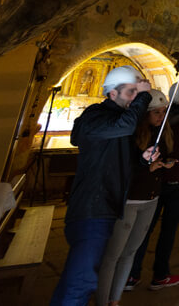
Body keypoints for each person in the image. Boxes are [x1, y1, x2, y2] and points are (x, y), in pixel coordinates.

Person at [50, 66, 153, 306]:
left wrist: (142, 158)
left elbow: (121, 159)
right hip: (91, 210)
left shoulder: (114, 122)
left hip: (103, 207)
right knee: (82, 281)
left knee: (74, 278)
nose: (134, 99)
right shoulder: (95, 116)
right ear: (112, 94)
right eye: (130, 93)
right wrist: (144, 95)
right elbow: (126, 126)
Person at [129, 82, 179, 290]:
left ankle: (131, 274)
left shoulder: (163, 116)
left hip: (154, 181)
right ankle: (160, 274)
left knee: (144, 229)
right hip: (177, 180)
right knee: (169, 228)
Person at [97, 89, 176, 306]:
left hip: (151, 198)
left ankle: (115, 299)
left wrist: (163, 163)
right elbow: (121, 168)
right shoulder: (130, 135)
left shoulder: (163, 133)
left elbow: (161, 157)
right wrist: (146, 167)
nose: (161, 117)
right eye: (156, 113)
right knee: (113, 254)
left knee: (130, 252)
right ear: (144, 113)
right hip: (130, 199)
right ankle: (102, 301)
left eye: (163, 112)